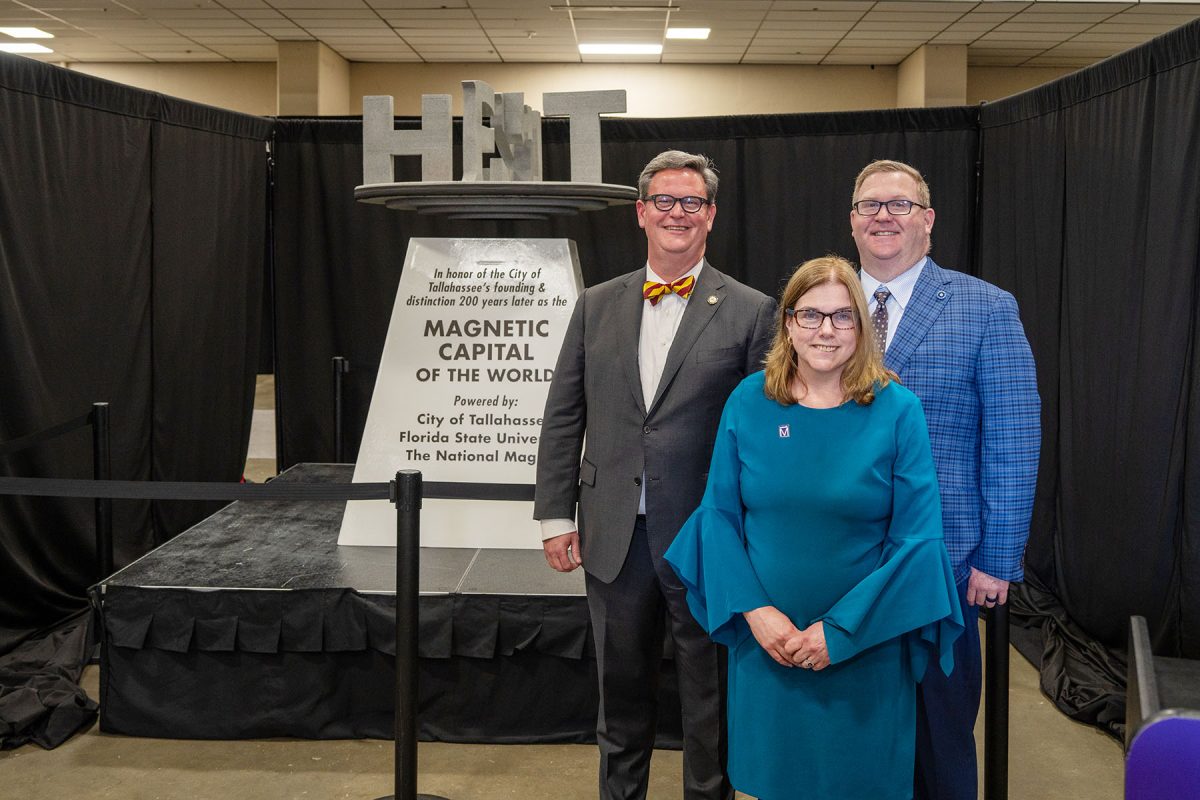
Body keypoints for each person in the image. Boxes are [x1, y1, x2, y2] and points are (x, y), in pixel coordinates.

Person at [664, 255, 963, 800]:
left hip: (866, 650)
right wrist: (757, 614)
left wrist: (841, 632)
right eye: (811, 315)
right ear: (788, 323)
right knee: (772, 782)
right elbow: (718, 519)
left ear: (862, 327)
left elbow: (918, 544)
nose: (826, 330)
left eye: (843, 317)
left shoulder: (898, 411)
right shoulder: (748, 402)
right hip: (769, 648)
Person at [534, 150, 775, 800]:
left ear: (711, 215)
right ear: (641, 213)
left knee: (710, 701)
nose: (677, 213)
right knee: (621, 699)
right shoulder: (595, 305)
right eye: (663, 201)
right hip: (614, 540)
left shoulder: (753, 312)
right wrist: (557, 515)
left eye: (691, 202)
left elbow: (758, 439)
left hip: (709, 541)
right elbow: (564, 415)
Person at [848, 159, 1041, 800]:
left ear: (928, 220)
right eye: (870, 205)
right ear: (852, 222)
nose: (884, 216)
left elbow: (1012, 442)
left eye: (899, 205)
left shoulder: (985, 307)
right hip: (839, 567)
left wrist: (997, 559)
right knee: (855, 733)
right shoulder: (818, 306)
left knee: (940, 735)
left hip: (946, 566)